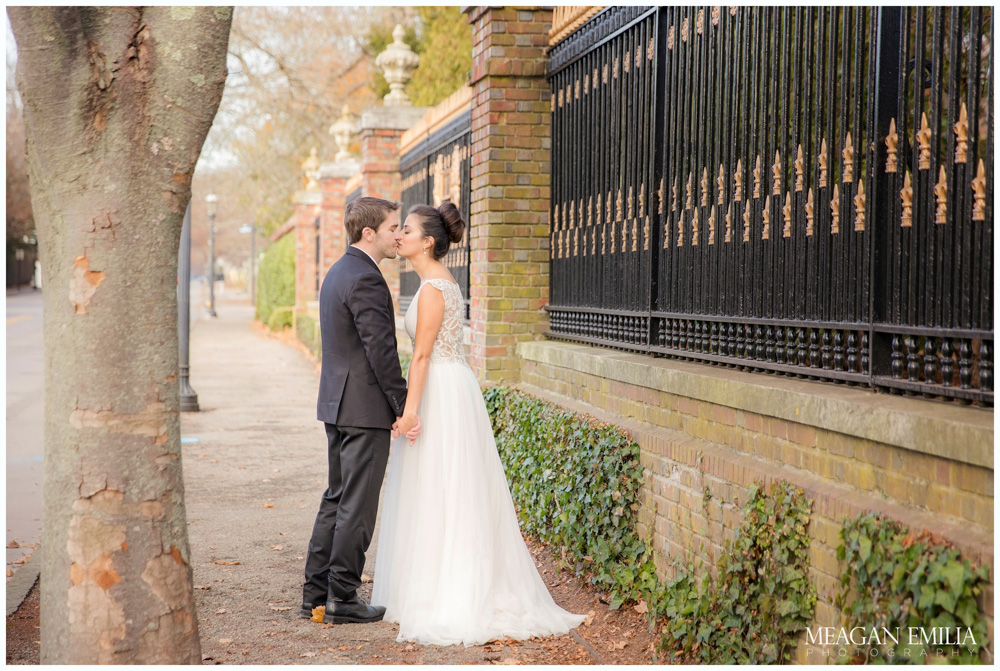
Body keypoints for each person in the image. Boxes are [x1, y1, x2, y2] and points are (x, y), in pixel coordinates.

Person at [372, 201, 586, 646]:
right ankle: (435, 582)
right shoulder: (436, 284)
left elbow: (424, 355)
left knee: (443, 486)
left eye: (406, 230)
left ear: (427, 242)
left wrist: (410, 411)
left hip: (441, 392)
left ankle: (450, 591)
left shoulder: (433, 289)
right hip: (451, 387)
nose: (399, 236)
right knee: (443, 487)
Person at [301, 197, 420, 625]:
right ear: (369, 233)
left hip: (336, 403)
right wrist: (402, 404)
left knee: (336, 499)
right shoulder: (367, 278)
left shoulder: (338, 271)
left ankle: (315, 594)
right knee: (357, 505)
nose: (398, 235)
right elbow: (381, 352)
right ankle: (344, 598)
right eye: (392, 227)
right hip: (364, 408)